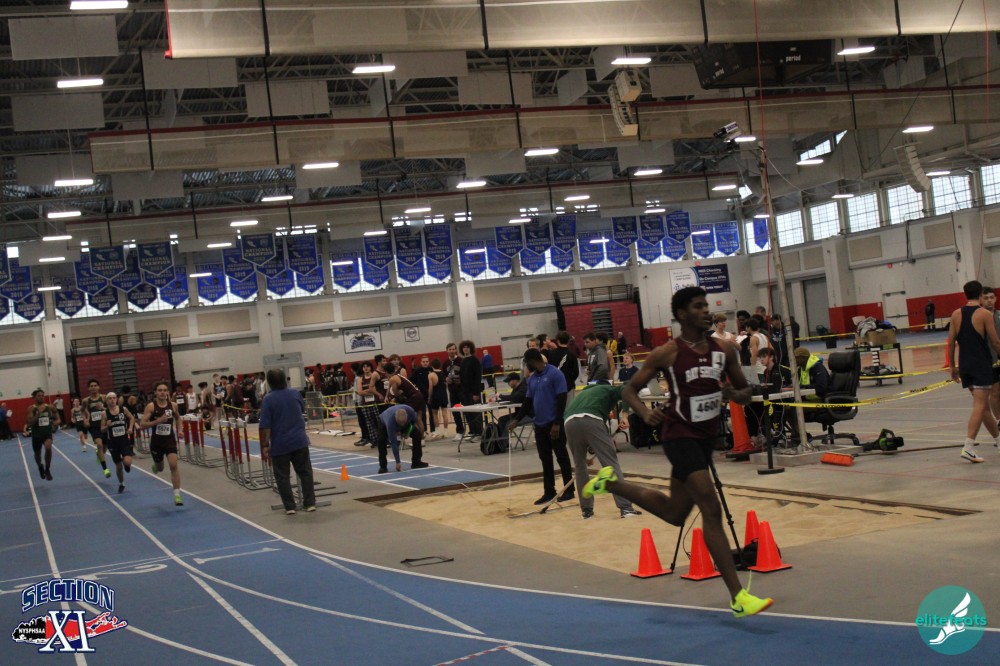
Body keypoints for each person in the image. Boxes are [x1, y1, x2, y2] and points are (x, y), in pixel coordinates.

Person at [583, 286, 772, 618]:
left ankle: (609, 483)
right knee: (710, 507)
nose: (706, 311)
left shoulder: (726, 350)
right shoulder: (667, 353)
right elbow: (628, 391)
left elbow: (745, 392)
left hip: (705, 438)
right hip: (679, 436)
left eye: (706, 305)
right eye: (698, 306)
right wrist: (645, 413)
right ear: (682, 314)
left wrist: (730, 393)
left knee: (674, 513)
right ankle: (738, 596)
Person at [564, 384, 640, 519]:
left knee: (580, 466)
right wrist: (625, 415)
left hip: (569, 422)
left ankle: (586, 511)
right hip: (591, 419)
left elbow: (585, 430)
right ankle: (626, 508)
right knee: (610, 464)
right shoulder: (608, 389)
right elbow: (627, 389)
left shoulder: (583, 394)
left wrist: (588, 457)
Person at [508, 348, 573, 505]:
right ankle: (549, 492)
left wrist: (557, 423)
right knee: (545, 459)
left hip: (554, 424)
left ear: (533, 361)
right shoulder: (532, 379)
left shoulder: (555, 374)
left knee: (562, 456)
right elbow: (528, 402)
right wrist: (516, 420)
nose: (526, 366)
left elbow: (562, 399)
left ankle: (569, 490)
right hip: (539, 424)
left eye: (526, 363)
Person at [947, 280, 1000, 462]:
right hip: (980, 365)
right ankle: (968, 447)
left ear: (965, 294)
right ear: (980, 296)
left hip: (965, 365)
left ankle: (998, 440)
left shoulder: (956, 314)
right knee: (979, 406)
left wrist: (952, 366)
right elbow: (995, 342)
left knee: (983, 407)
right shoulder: (984, 314)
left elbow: (951, 342)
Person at [258, 369, 316, 514]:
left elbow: (265, 426)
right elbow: (301, 409)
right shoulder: (295, 393)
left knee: (282, 477)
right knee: (305, 473)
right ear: (285, 379)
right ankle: (309, 503)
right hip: (299, 441)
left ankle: (290, 507)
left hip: (280, 444)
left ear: (269, 383)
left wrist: (265, 445)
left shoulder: (268, 400)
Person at [140, 381, 184, 506]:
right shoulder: (151, 407)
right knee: (160, 468)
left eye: (165, 390)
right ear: (155, 392)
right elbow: (142, 424)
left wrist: (180, 430)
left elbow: (178, 418)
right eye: (160, 390)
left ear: (168, 392)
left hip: (169, 440)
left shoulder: (173, 405)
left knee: (173, 465)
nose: (163, 392)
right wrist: (158, 421)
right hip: (156, 442)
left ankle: (177, 495)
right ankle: (156, 466)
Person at [782, 347, 831, 445]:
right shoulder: (801, 369)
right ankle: (800, 435)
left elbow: (821, 387)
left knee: (793, 409)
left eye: (796, 358)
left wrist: (802, 387)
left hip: (820, 400)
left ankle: (799, 437)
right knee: (785, 407)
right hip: (807, 399)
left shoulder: (817, 367)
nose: (793, 361)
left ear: (803, 358)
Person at [376, 404, 429, 473]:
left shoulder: (411, 412)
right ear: (395, 418)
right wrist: (398, 462)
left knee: (417, 434)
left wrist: (408, 431)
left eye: (403, 423)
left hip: (407, 424)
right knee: (381, 440)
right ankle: (383, 466)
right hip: (383, 421)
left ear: (407, 416)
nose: (402, 425)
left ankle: (416, 461)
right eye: (400, 423)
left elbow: (413, 423)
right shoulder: (390, 423)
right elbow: (394, 443)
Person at [103, 392, 135, 494]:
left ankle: (126, 464)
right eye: (110, 398)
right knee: (118, 467)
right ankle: (122, 483)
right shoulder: (104, 413)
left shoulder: (123, 409)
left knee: (128, 462)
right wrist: (107, 426)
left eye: (114, 398)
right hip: (113, 443)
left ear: (116, 399)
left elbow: (132, 418)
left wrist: (130, 428)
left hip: (124, 441)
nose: (112, 400)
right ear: (107, 401)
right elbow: (102, 429)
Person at [24, 389, 59, 481]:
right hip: (36, 435)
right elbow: (30, 423)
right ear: (34, 397)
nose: (41, 397)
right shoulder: (31, 408)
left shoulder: (50, 407)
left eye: (43, 396)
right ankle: (40, 467)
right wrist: (38, 413)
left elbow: (58, 419)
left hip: (47, 433)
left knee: (48, 447)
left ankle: (47, 469)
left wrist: (54, 425)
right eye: (39, 396)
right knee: (37, 455)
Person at [82, 379, 111, 478]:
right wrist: (85, 420)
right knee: (99, 445)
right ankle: (105, 469)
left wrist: (102, 408)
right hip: (93, 426)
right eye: (91, 386)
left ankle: (99, 454)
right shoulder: (86, 400)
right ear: (88, 388)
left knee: (104, 447)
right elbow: (82, 411)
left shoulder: (104, 397)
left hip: (104, 425)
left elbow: (111, 409)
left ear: (99, 387)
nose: (93, 387)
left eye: (95, 385)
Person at [979, 287, 1000, 423]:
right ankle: (998, 421)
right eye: (986, 298)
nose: (989, 301)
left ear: (995, 299)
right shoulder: (978, 318)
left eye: (991, 297)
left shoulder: (999, 315)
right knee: (995, 392)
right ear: (981, 300)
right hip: (989, 361)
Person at [459, 340, 484, 441]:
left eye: (467, 347)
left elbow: (478, 377)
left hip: (473, 392)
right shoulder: (463, 361)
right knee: (468, 413)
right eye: (464, 347)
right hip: (464, 392)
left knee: (476, 413)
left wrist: (476, 393)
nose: (466, 349)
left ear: (471, 349)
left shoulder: (475, 360)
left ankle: (479, 432)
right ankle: (472, 431)